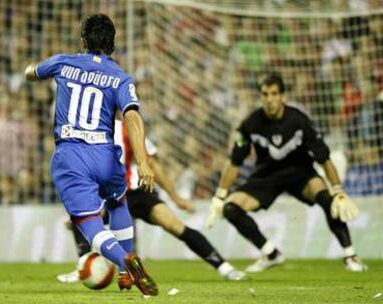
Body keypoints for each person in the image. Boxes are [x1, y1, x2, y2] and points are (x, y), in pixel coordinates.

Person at [24, 14, 158, 296]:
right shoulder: (121, 77)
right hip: (106, 154)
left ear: (83, 40)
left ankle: (125, 260)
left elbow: (30, 72)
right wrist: (143, 161)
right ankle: (125, 273)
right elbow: (132, 117)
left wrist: (34, 70)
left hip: (71, 154)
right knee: (118, 202)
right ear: (112, 43)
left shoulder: (63, 62)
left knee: (88, 221)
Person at [205, 72, 367, 273]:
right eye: (265, 94)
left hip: (300, 173)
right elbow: (234, 161)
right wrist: (220, 196)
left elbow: (324, 158)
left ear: (283, 96)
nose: (269, 99)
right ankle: (271, 254)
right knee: (230, 208)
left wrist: (338, 190)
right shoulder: (250, 124)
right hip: (267, 176)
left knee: (328, 199)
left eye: (274, 94)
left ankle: (350, 255)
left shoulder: (299, 121)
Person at [57, 120, 246, 287]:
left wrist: (175, 197)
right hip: (110, 196)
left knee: (175, 226)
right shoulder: (86, 133)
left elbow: (153, 164)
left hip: (138, 194)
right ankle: (84, 265)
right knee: (80, 217)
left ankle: (224, 267)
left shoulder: (129, 129)